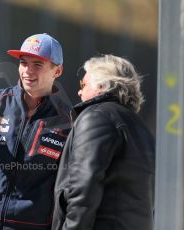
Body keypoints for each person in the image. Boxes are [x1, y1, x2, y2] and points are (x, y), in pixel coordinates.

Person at [0, 33, 72, 230]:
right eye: (23, 63)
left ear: (57, 71)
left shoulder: (69, 121)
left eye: (37, 65)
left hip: (30, 224)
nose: (27, 71)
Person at [52, 54, 155, 230]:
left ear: (102, 86)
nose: (79, 91)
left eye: (83, 84)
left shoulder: (96, 116)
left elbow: (83, 189)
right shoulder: (142, 129)